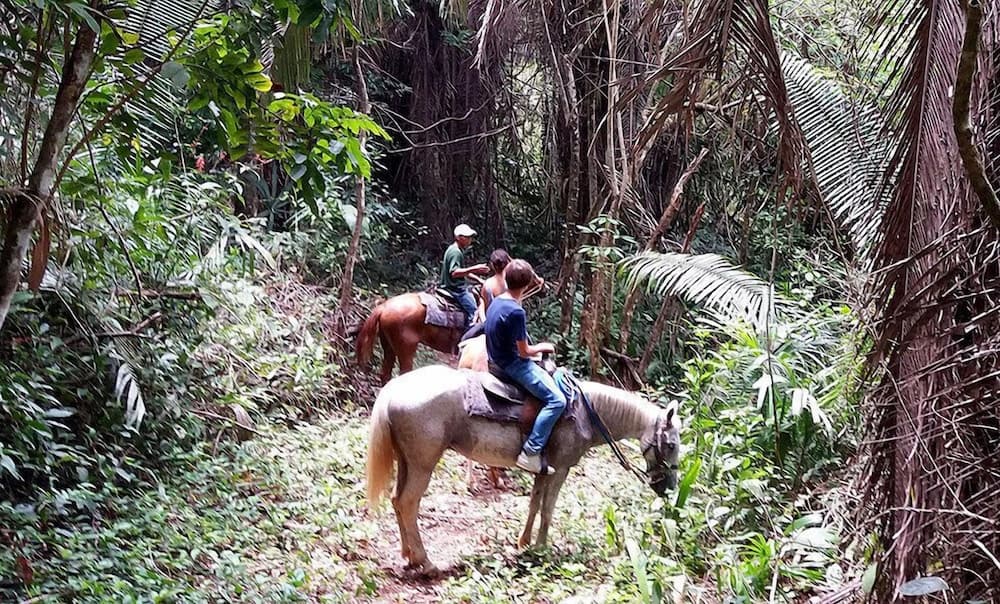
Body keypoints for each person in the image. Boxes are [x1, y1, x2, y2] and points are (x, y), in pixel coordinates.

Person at [485, 259, 566, 475]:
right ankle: (530, 452)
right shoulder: (516, 312)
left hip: (494, 358)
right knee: (558, 400)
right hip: (510, 364)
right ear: (528, 283)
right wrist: (541, 346)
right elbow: (523, 352)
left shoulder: (497, 300)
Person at [440, 224, 490, 328]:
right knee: (475, 311)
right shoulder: (456, 252)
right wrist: (474, 268)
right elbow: (454, 273)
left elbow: (463, 271)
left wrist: (479, 280)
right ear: (458, 238)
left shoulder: (454, 249)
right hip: (456, 289)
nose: (469, 240)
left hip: (452, 286)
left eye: (470, 237)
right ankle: (470, 335)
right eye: (467, 237)